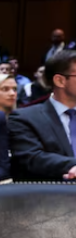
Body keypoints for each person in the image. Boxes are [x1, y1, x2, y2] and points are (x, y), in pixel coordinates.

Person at [9, 50, 76, 181]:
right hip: (50, 196)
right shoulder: (25, 118)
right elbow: (33, 157)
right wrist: (71, 165)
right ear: (60, 81)